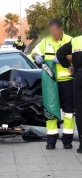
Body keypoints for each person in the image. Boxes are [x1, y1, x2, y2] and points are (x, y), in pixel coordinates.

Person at [31, 19, 74, 150]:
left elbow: (77, 57)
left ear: (61, 29)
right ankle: (51, 140)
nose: (52, 33)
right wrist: (36, 57)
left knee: (68, 113)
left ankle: (67, 141)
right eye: (51, 31)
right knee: (50, 111)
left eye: (54, 31)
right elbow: (34, 52)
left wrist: (64, 58)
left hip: (67, 81)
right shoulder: (46, 41)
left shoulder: (70, 41)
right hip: (51, 83)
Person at [57, 36, 82, 153]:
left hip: (79, 76)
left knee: (80, 111)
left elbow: (60, 53)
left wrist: (69, 66)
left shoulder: (75, 40)